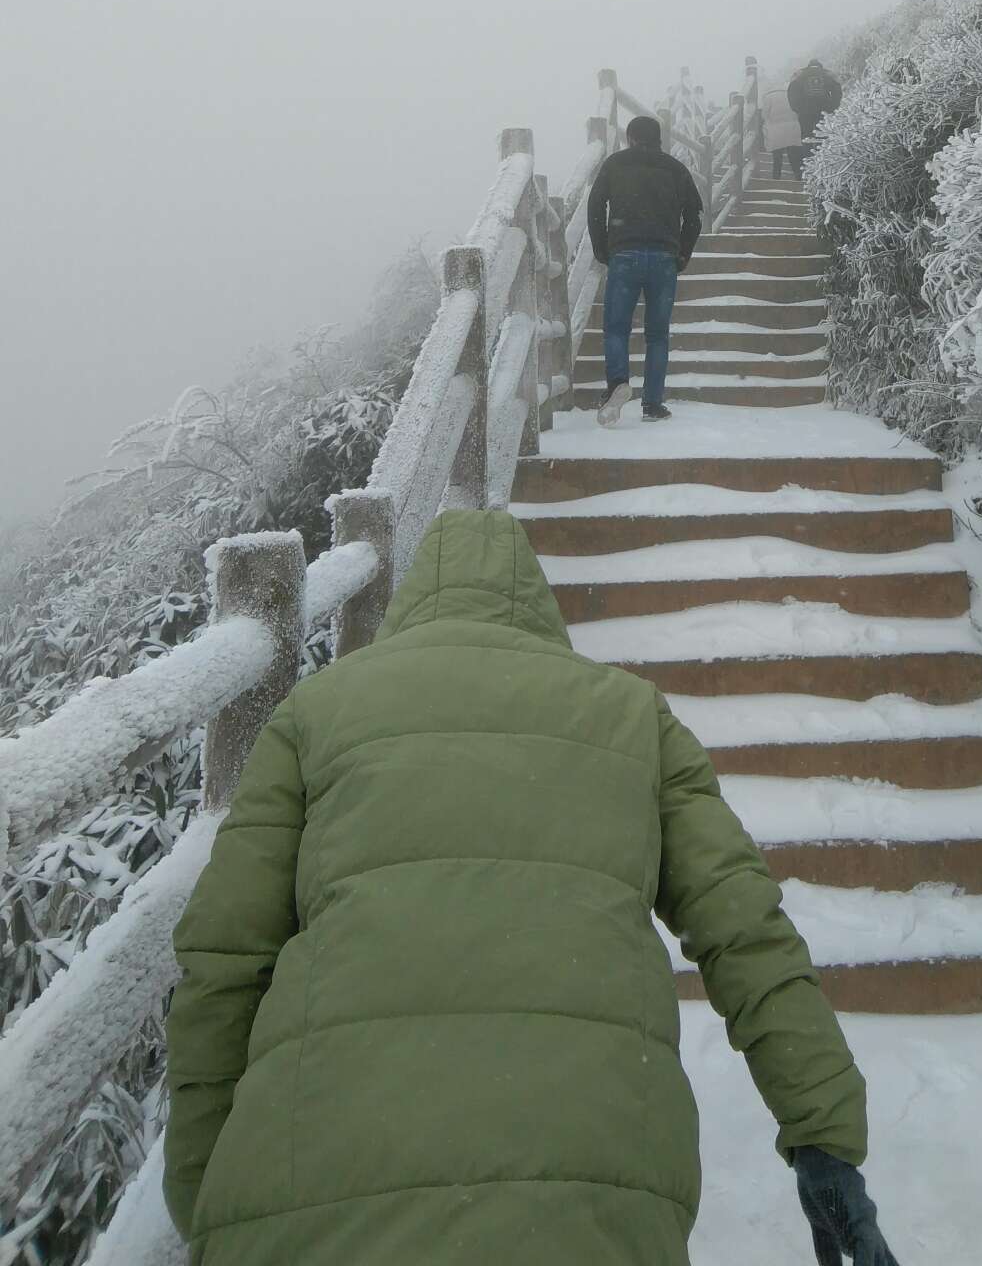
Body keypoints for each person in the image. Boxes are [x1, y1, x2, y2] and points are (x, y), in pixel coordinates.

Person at [164, 509, 901, 1266]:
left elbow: (224, 957)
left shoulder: (313, 714)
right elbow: (743, 926)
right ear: (537, 601)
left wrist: (203, 1191)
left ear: (414, 597)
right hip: (594, 1204)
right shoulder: (631, 715)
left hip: (308, 1192)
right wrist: (823, 1133)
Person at [586, 114, 703, 424]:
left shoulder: (615, 164)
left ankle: (618, 384)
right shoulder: (676, 169)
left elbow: (595, 205)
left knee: (615, 328)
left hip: (624, 254)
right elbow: (694, 215)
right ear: (659, 139)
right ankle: (652, 404)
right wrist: (682, 254)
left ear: (630, 138)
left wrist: (602, 248)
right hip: (664, 258)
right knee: (657, 334)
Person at [787, 59, 843, 158]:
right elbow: (837, 91)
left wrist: (798, 108)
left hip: (805, 112)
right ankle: (821, 160)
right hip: (824, 110)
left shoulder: (800, 75)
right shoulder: (827, 75)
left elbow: (792, 93)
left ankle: (807, 161)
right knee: (823, 136)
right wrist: (832, 107)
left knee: (806, 137)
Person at [761, 80, 805, 179]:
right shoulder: (791, 94)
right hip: (793, 128)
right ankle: (799, 177)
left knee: (777, 157)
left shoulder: (769, 97)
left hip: (776, 130)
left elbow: (764, 115)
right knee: (794, 155)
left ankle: (776, 178)